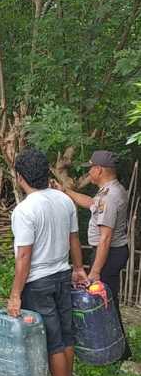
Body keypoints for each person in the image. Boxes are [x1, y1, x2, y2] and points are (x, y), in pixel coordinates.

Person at [8, 148, 88, 376]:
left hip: (39, 281)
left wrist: (16, 294)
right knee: (66, 334)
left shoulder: (25, 210)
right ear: (46, 173)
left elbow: (24, 257)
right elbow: (74, 238)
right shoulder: (64, 201)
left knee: (52, 338)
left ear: (21, 177)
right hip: (63, 274)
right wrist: (78, 268)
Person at [53, 150, 132, 361]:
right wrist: (66, 191)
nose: (89, 172)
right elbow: (90, 203)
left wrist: (95, 272)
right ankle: (114, 347)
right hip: (112, 252)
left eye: (90, 168)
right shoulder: (109, 191)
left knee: (105, 302)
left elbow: (105, 238)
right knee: (108, 300)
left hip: (108, 253)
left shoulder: (111, 197)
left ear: (98, 169)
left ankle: (116, 350)